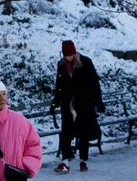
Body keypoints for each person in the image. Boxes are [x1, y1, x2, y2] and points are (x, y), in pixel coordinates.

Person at [49, 40, 105, 174]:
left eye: (69, 55)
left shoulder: (86, 62)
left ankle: (83, 161)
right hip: (68, 105)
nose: (68, 58)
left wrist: (98, 102)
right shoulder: (62, 65)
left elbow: (94, 84)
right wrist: (55, 103)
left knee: (83, 132)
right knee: (66, 132)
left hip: (84, 104)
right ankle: (65, 161)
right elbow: (59, 86)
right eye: (65, 55)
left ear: (74, 52)